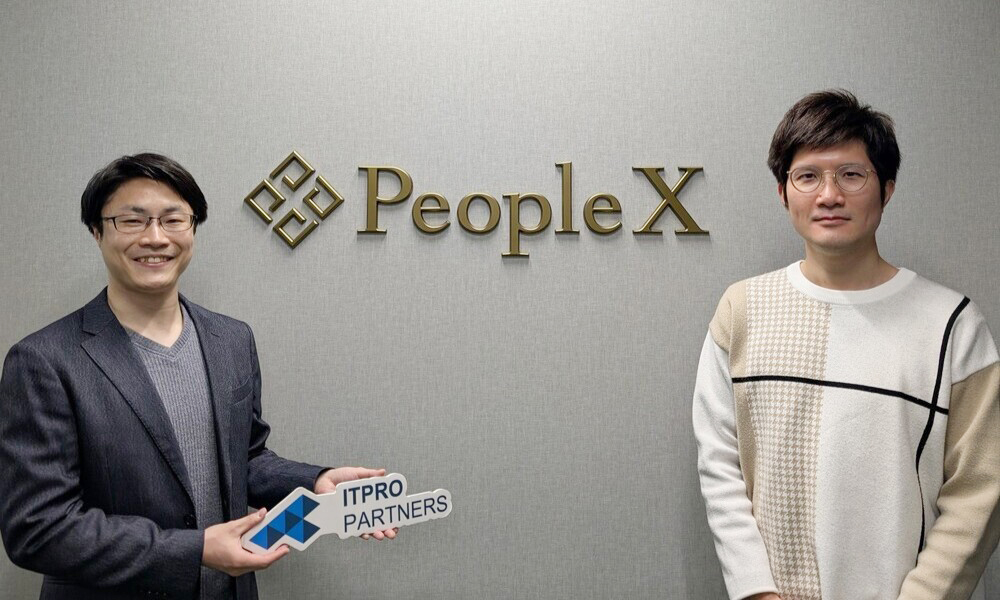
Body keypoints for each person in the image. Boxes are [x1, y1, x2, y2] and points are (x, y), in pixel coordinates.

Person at [0, 153, 395, 600]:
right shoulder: (44, 360)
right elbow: (38, 528)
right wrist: (195, 550)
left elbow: (244, 459)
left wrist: (314, 481)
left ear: (192, 228)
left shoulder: (232, 339)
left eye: (173, 220)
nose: (155, 237)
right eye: (131, 221)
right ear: (97, 231)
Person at [692, 90, 1000, 600]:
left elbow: (980, 490)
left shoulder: (953, 325)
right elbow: (719, 464)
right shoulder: (742, 310)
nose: (829, 195)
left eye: (851, 175)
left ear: (887, 189)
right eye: (807, 176)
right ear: (783, 192)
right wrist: (757, 591)